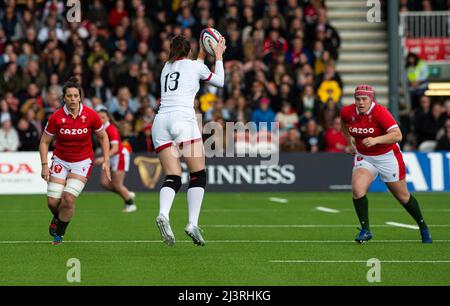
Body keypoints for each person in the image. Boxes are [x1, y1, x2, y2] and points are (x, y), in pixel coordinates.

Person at [152, 34, 226, 246]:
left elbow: (190, 72)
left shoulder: (166, 67)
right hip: (182, 120)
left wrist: (202, 54)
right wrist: (218, 56)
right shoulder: (195, 67)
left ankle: (163, 214)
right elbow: (219, 82)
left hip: (160, 122)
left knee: (173, 176)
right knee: (198, 174)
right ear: (190, 51)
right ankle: (192, 223)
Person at [340, 84, 432, 244]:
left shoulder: (380, 112)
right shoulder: (348, 111)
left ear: (371, 99)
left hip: (387, 157)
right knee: (357, 189)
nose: (360, 102)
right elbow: (343, 122)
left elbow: (398, 135)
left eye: (364, 99)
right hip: (365, 156)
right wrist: (349, 141)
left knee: (402, 196)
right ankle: (365, 230)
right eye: (357, 99)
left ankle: (423, 227)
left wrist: (375, 140)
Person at [39, 77, 111, 245]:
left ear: (80, 97)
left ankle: (59, 235)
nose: (72, 99)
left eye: (75, 96)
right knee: (52, 202)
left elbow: (103, 137)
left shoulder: (91, 115)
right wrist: (44, 165)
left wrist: (106, 160)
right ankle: (57, 218)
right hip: (60, 160)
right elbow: (44, 142)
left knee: (68, 199)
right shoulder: (56, 117)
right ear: (63, 98)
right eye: (69, 96)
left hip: (82, 162)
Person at [95, 108, 136, 213]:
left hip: (119, 156)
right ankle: (125, 192)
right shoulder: (100, 129)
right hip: (110, 156)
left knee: (117, 184)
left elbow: (116, 149)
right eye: (99, 117)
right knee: (104, 183)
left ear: (108, 118)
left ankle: (130, 204)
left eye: (103, 117)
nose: (101, 119)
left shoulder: (111, 129)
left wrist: (103, 158)